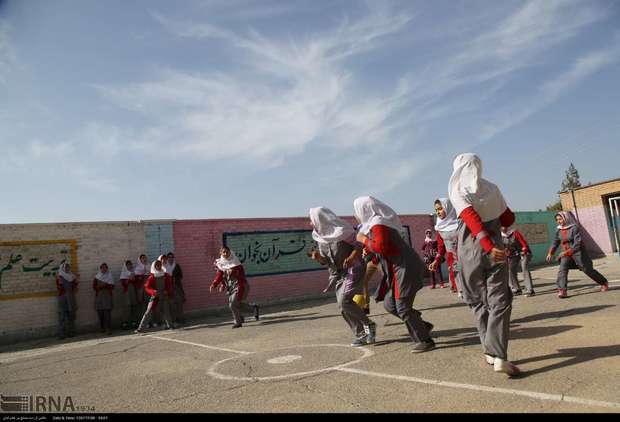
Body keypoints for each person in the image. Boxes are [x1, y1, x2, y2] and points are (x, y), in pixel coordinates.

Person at [448, 153, 519, 376]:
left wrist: (485, 244)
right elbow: (508, 219)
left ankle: (489, 351)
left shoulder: (457, 189)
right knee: (500, 300)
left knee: (477, 301)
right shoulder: (492, 189)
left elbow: (470, 219)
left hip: (470, 252)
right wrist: (492, 239)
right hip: (495, 250)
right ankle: (498, 354)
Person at [353, 196, 435, 353]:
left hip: (404, 267)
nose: (356, 214)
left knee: (402, 306)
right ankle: (422, 325)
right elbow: (382, 247)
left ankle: (425, 340)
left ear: (364, 209)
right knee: (390, 304)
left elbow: (382, 247)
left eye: (357, 210)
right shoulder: (375, 224)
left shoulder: (378, 222)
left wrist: (364, 240)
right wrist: (369, 248)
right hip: (396, 268)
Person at [308, 206, 377, 347]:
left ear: (321, 219)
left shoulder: (342, 230)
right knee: (343, 306)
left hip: (354, 269)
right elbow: (327, 261)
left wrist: (352, 257)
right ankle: (363, 332)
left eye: (312, 220)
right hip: (338, 274)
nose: (311, 223)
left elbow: (359, 244)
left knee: (345, 301)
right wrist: (319, 258)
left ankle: (367, 327)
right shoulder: (319, 236)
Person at [546, 211, 609, 298]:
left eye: (560, 219)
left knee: (587, 270)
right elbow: (555, 241)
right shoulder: (558, 229)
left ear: (565, 218)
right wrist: (550, 253)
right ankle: (562, 290)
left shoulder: (574, 228)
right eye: (557, 220)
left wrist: (567, 252)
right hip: (565, 254)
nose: (559, 221)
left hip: (578, 252)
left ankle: (603, 282)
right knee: (562, 269)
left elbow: (577, 243)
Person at [210, 246, 259, 328]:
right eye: (223, 252)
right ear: (221, 253)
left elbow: (240, 276)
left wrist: (233, 271)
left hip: (240, 286)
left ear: (230, 252)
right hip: (231, 287)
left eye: (227, 252)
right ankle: (253, 309)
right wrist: (215, 284)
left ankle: (238, 322)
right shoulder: (221, 263)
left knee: (233, 304)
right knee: (236, 304)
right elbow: (220, 275)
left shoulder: (236, 263)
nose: (225, 254)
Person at [429, 198, 462, 297]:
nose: (438, 212)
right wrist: (436, 261)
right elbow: (441, 248)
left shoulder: (461, 223)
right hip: (453, 262)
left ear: (448, 208)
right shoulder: (440, 228)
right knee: (462, 292)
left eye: (440, 209)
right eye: (436, 210)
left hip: (466, 258)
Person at [135, 259, 175, 333]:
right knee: (148, 311)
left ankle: (170, 325)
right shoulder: (152, 277)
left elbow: (170, 285)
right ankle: (141, 328)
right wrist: (153, 292)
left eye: (160, 265)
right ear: (154, 266)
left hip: (164, 295)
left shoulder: (165, 275)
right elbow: (147, 287)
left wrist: (167, 291)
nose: (159, 266)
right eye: (157, 265)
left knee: (166, 311)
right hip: (155, 296)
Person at [501, 226, 535, 297]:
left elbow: (523, 243)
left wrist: (524, 250)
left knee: (524, 268)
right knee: (510, 269)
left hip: (524, 252)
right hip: (513, 254)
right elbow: (502, 247)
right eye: (501, 227)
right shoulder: (501, 236)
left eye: (504, 226)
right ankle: (516, 289)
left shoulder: (515, 233)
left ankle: (530, 290)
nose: (503, 228)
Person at [56, 263, 79, 339]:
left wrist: (76, 281)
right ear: (62, 268)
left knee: (71, 316)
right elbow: (59, 287)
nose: (66, 269)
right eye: (65, 267)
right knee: (62, 316)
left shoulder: (72, 276)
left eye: (68, 267)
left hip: (70, 298)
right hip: (62, 298)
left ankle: (71, 332)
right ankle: (62, 334)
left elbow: (75, 287)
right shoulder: (59, 276)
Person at [93, 263, 115, 335]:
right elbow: (94, 287)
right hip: (99, 296)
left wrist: (106, 285)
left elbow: (113, 286)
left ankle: (108, 328)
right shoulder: (97, 277)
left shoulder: (110, 276)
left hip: (107, 295)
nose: (104, 269)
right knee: (100, 313)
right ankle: (102, 327)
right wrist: (99, 287)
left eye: (105, 268)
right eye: (102, 268)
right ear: (100, 269)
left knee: (107, 313)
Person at [119, 260, 141, 330]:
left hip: (133, 292)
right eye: (128, 265)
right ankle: (124, 323)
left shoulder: (134, 272)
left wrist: (135, 278)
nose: (130, 266)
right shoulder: (123, 273)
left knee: (134, 306)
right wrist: (129, 279)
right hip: (127, 292)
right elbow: (123, 283)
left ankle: (134, 322)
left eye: (130, 264)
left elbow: (137, 282)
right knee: (127, 307)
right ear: (125, 266)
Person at [166, 252, 186, 325]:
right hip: (169, 287)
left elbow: (181, 275)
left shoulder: (176, 266)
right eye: (169, 257)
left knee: (179, 302)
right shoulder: (165, 266)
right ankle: (173, 319)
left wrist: (175, 278)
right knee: (172, 304)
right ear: (167, 258)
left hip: (177, 286)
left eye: (172, 257)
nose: (170, 259)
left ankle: (181, 318)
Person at [133, 254, 149, 321]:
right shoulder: (137, 268)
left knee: (149, 303)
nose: (144, 259)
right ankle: (143, 321)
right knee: (142, 304)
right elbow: (136, 279)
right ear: (140, 259)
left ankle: (150, 321)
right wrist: (142, 274)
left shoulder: (149, 265)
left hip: (148, 287)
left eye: (145, 258)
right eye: (142, 258)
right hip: (141, 288)